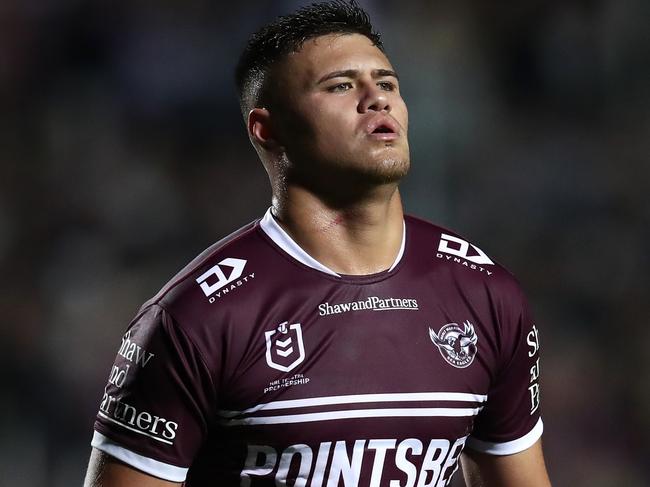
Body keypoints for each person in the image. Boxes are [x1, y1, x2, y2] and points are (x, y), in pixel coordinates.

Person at [83, 1, 552, 486]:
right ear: (268, 130)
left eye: (387, 83)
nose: (377, 100)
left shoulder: (485, 294)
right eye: (342, 86)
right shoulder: (197, 319)